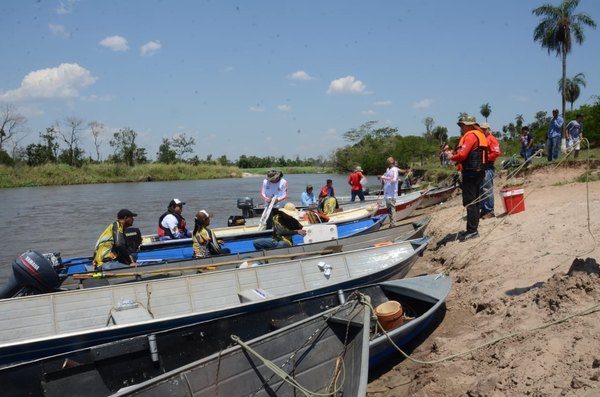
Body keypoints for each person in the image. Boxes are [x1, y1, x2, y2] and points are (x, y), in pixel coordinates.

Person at [450, 115, 488, 241]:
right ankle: (472, 229)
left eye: (462, 124)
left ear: (469, 125)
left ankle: (472, 231)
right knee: (475, 201)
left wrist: (451, 156)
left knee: (470, 202)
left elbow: (462, 154)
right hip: (478, 172)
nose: (461, 127)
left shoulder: (471, 136)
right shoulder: (479, 134)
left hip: (471, 173)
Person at [479, 123, 501, 219]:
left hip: (488, 166)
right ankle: (484, 209)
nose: (483, 131)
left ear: (488, 129)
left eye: (484, 129)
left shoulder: (491, 139)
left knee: (487, 189)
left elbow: (496, 152)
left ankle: (489, 210)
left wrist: (486, 158)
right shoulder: (484, 139)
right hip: (484, 166)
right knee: (483, 189)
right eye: (482, 129)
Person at [377, 157, 400, 226]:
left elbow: (393, 179)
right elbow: (386, 180)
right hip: (387, 194)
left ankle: (394, 223)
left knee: (392, 209)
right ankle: (391, 223)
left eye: (387, 162)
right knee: (389, 210)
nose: (386, 163)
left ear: (390, 162)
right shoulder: (388, 170)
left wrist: (382, 177)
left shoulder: (394, 170)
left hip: (392, 194)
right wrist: (382, 179)